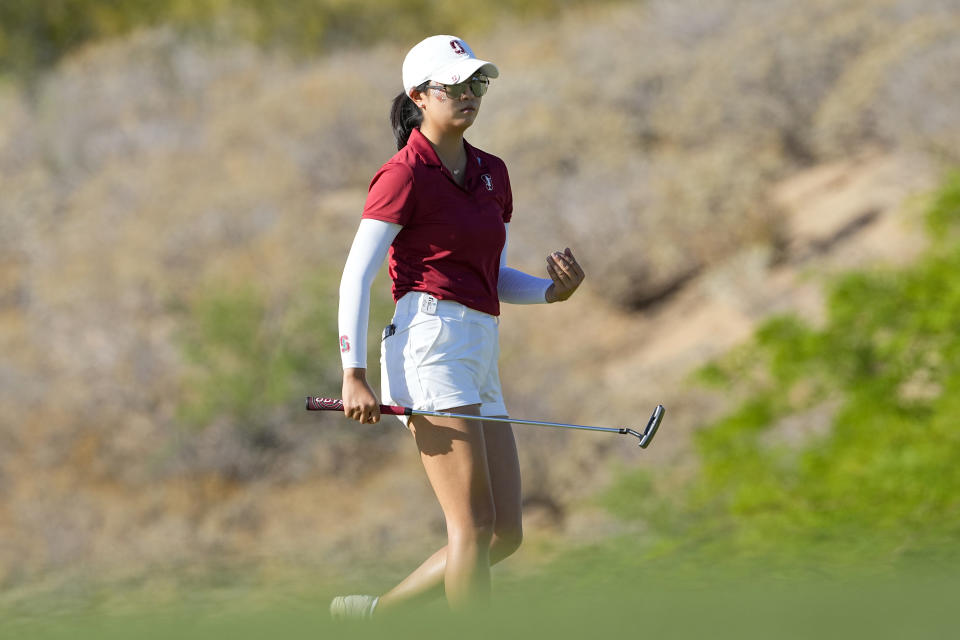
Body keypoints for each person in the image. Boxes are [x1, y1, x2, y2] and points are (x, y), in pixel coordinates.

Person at [330, 35, 585, 619]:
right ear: (419, 96)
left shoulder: (492, 172)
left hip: (478, 346)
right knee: (469, 527)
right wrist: (353, 373)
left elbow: (486, 274)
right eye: (455, 86)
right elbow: (355, 278)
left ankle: (373, 618)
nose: (469, 95)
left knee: (503, 535)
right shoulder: (402, 175)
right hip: (428, 344)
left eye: (477, 84)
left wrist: (550, 292)